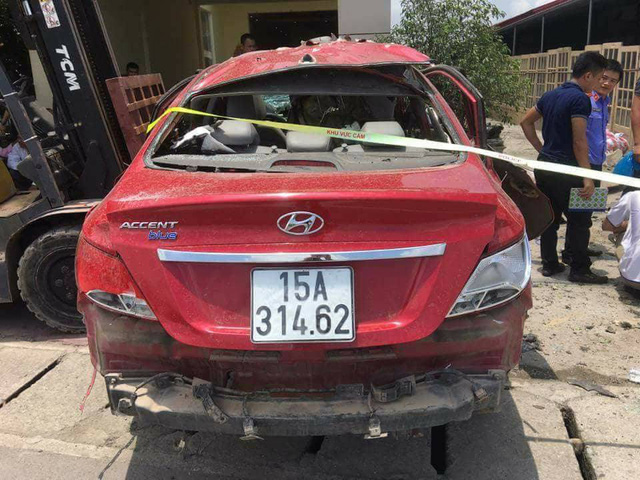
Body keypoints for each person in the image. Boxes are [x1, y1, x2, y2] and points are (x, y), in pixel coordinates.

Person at [520, 51, 609, 284]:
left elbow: (525, 122)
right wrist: (587, 176)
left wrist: (542, 149)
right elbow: (579, 141)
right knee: (580, 221)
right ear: (587, 76)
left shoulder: (550, 95)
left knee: (551, 218)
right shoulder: (580, 100)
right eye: (598, 78)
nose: (599, 83)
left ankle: (550, 264)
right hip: (569, 171)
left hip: (545, 167)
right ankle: (579, 268)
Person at [603, 191, 640, 291]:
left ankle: (630, 271)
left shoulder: (632, 196)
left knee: (623, 234)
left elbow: (606, 226)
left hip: (635, 281)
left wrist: (630, 223)